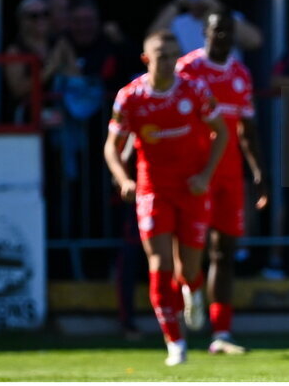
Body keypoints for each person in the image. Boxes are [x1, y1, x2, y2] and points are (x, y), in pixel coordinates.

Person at [103, 30, 228, 366]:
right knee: (160, 265)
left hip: (191, 189)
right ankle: (175, 344)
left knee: (188, 268)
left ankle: (194, 290)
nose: (169, 61)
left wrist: (205, 175)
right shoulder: (130, 97)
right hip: (152, 190)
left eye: (173, 54)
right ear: (147, 59)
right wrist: (123, 178)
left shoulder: (195, 90)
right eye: (161, 54)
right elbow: (111, 148)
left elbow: (222, 132)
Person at [176, 10, 268, 354]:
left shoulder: (240, 74)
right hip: (194, 173)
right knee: (190, 251)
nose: (224, 38)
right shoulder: (187, 69)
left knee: (224, 251)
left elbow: (247, 130)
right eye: (217, 31)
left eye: (229, 32)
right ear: (205, 32)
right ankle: (191, 296)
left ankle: (222, 334)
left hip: (228, 174)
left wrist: (258, 172)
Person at [3, 0, 79, 123]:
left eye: (46, 14)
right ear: (21, 20)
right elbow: (18, 90)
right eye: (34, 16)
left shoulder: (60, 44)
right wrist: (50, 68)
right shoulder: (15, 51)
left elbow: (76, 76)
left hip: (64, 116)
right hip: (28, 120)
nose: (41, 19)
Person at [152, 0, 263, 55]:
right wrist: (177, 2)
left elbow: (255, 42)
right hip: (191, 82)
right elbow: (152, 40)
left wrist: (217, 7)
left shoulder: (230, 17)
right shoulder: (178, 22)